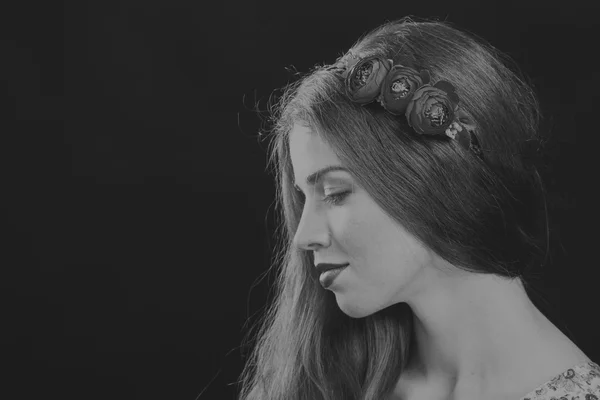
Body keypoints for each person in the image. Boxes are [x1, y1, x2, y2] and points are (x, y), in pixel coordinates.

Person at [237, 17, 598, 400]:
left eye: (335, 192)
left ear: (437, 181)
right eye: (303, 197)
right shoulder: (315, 377)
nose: (303, 236)